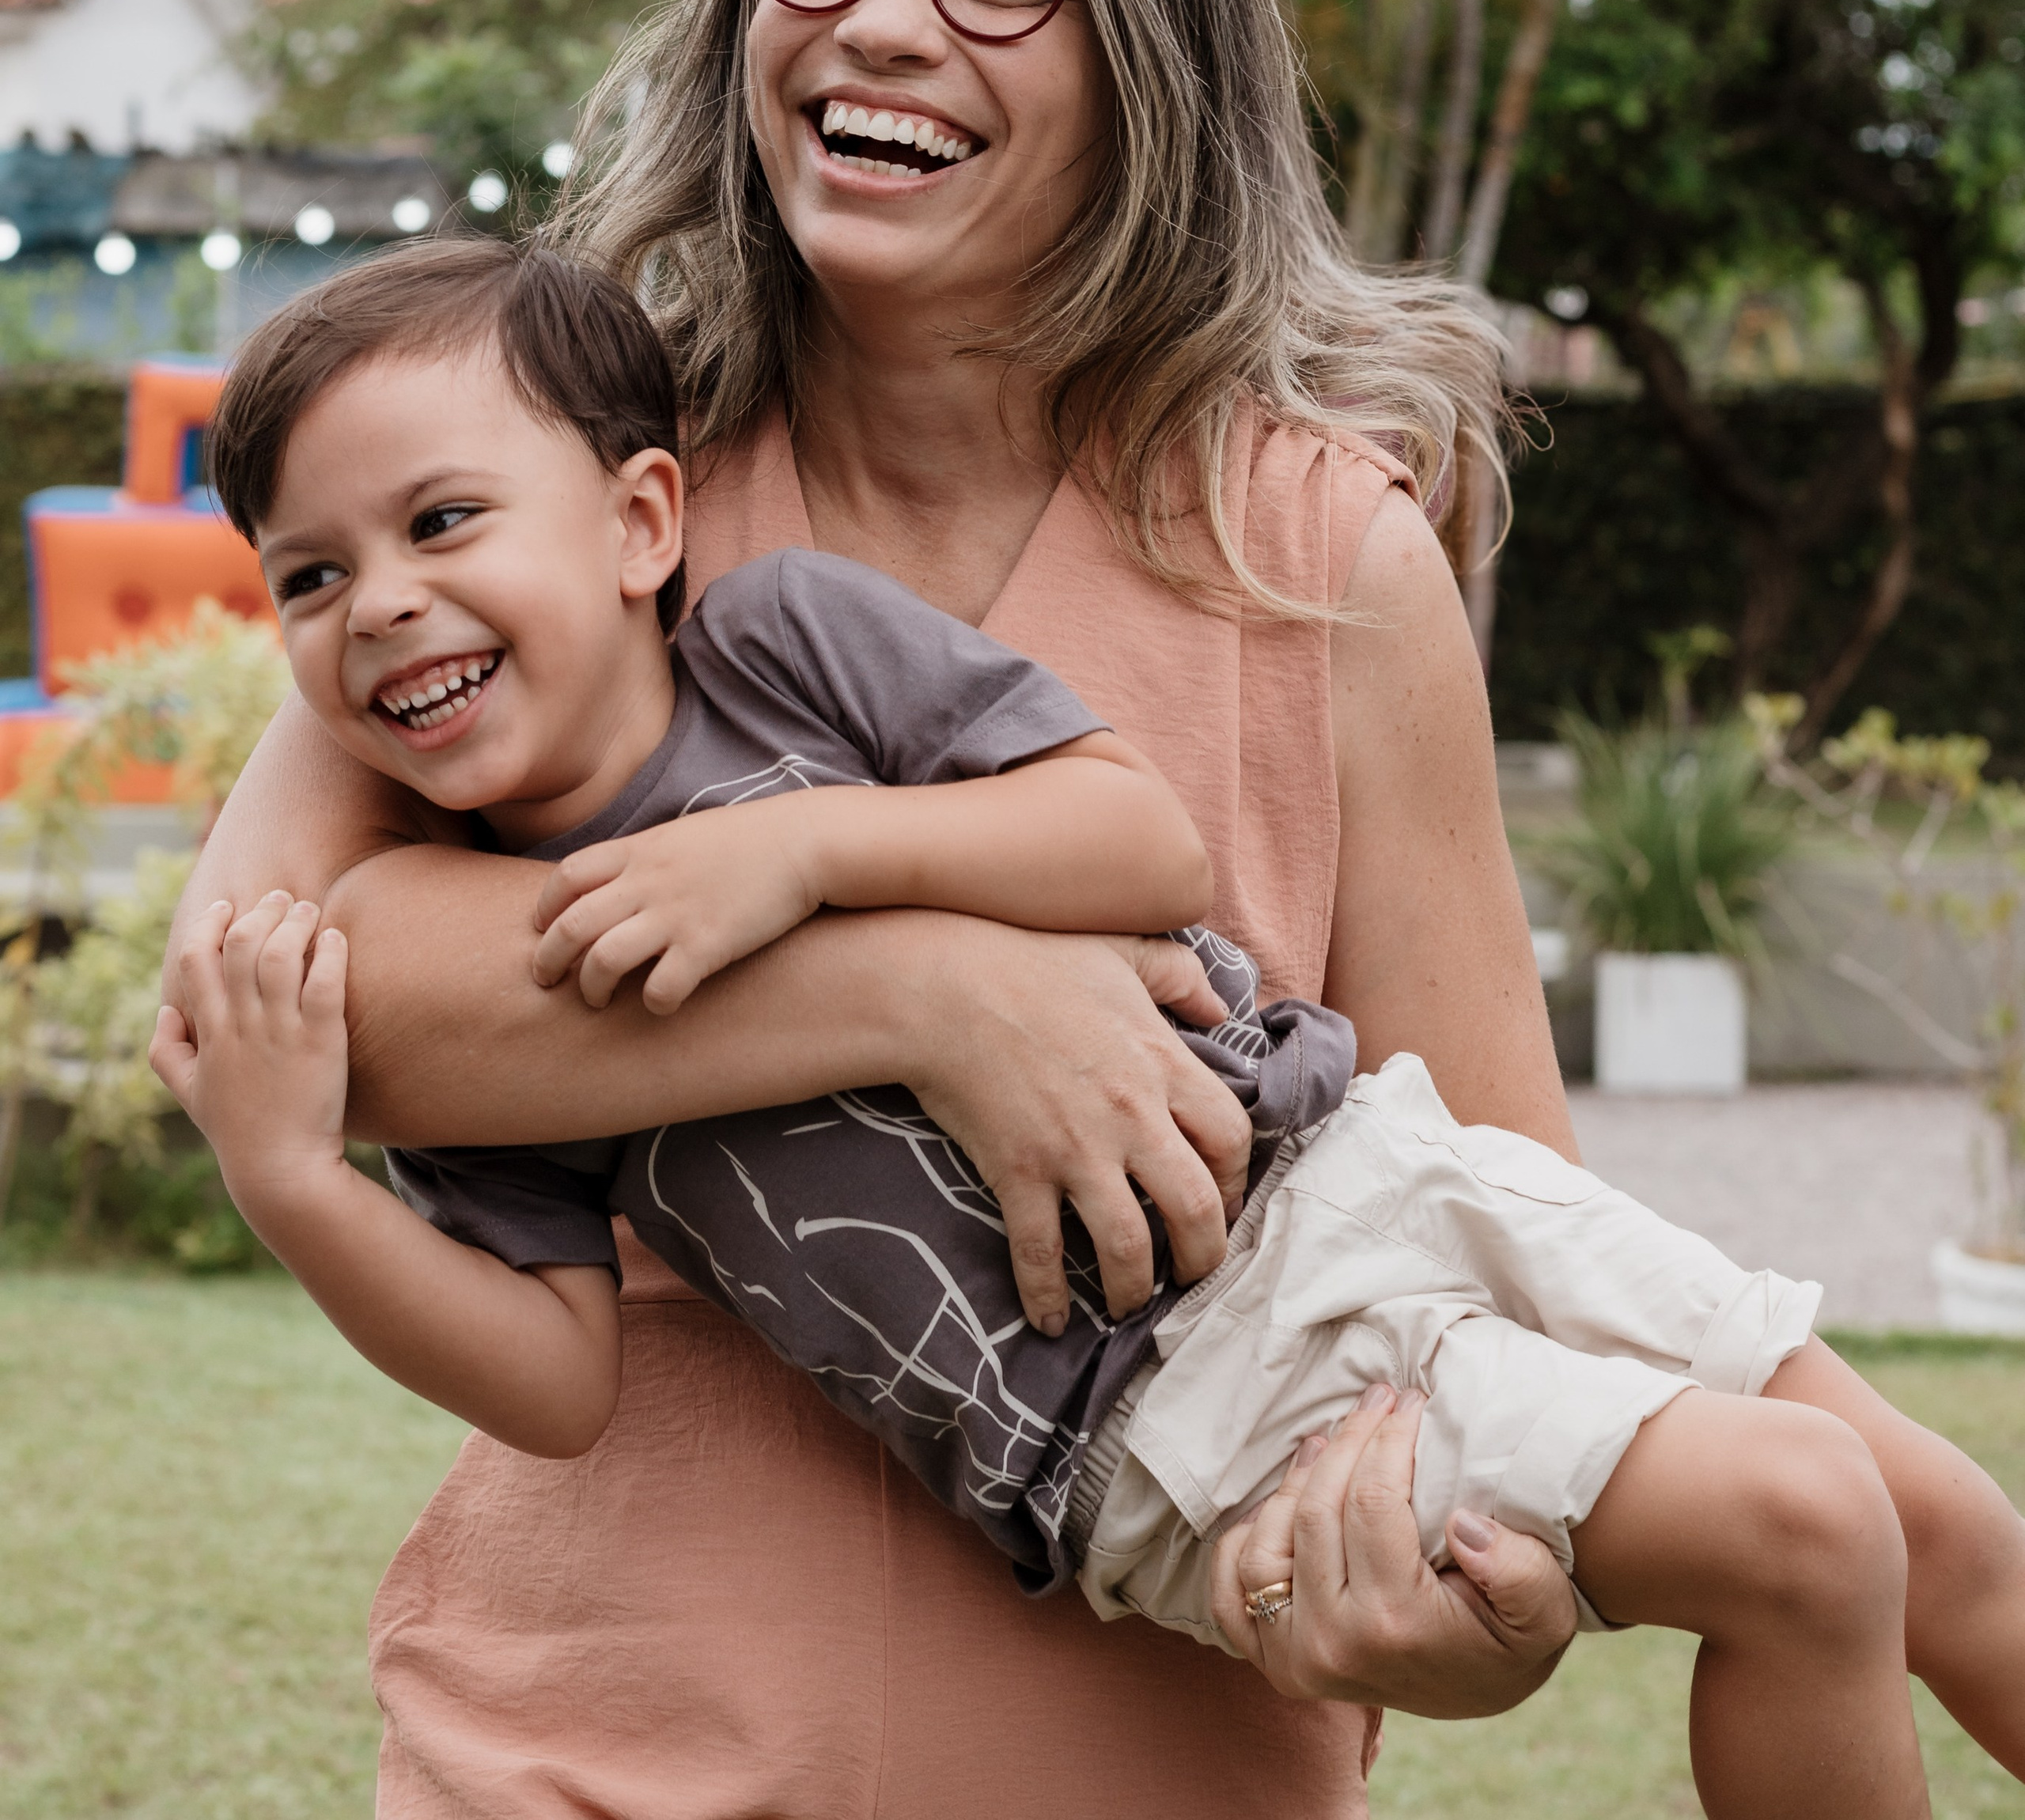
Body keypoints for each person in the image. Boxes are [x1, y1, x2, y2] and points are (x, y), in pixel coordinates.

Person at [163, 0, 1622, 1818]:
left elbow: (1507, 1233)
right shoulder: (581, 483)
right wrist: (927, 987)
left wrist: (1463, 1586)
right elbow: (280, 992)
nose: (880, 16)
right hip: (571, 1767)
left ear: (1151, 55)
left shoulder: (1320, 553)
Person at [161, 239, 2025, 1820]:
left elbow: (1139, 839)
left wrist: (805, 853)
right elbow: (551, 1379)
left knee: (1937, 1514)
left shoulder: (786, 641)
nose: (381, 597)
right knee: (1805, 1523)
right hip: (1166, 1405)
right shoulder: (460, 938)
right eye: (307, 576)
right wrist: (289, 1181)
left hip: (1359, 1166)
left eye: (438, 522)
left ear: (644, 516)